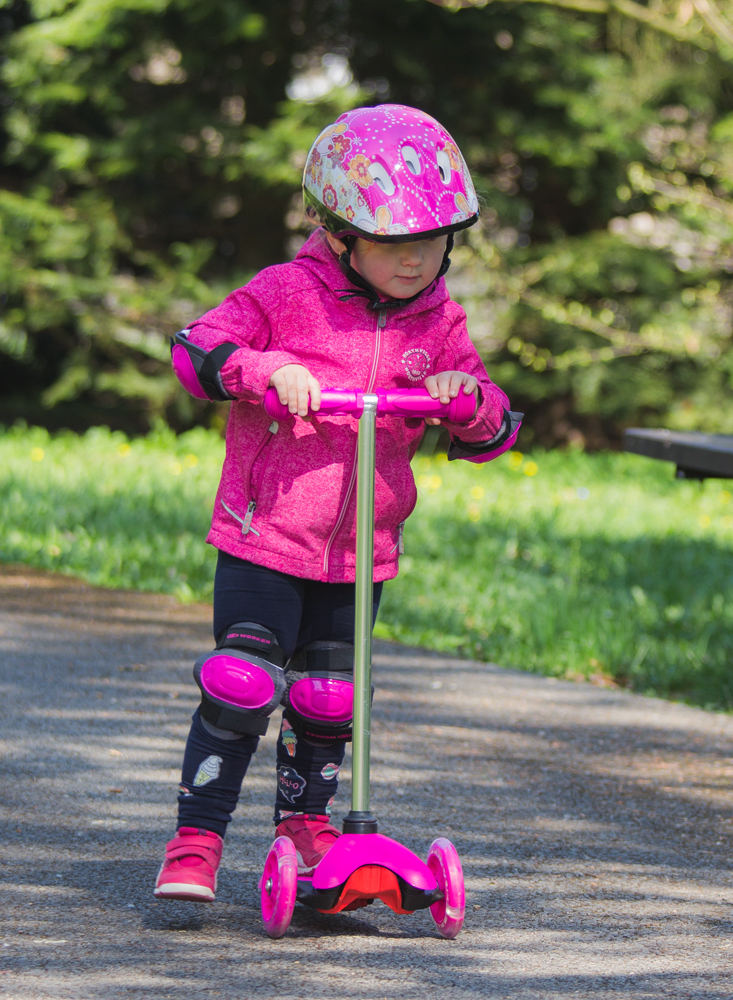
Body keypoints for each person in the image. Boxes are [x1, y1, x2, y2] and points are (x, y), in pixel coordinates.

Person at [155, 104, 521, 901]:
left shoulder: (441, 320)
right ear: (342, 231)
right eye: (396, 241)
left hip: (363, 551)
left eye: (433, 240)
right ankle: (197, 841)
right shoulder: (285, 294)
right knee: (242, 684)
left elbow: (493, 424)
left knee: (329, 702)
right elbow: (198, 349)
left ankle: (307, 829)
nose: (418, 259)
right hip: (267, 539)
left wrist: (465, 398)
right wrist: (265, 370)